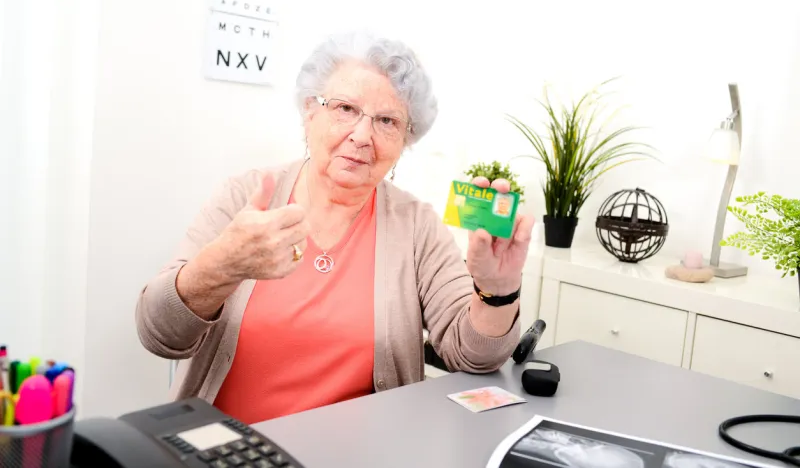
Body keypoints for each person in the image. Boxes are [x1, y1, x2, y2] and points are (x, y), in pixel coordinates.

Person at [135, 31, 535, 424]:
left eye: (386, 121)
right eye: (345, 108)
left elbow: (473, 356)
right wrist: (223, 266)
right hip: (231, 452)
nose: (362, 136)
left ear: (404, 140)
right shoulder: (245, 195)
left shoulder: (416, 225)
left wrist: (497, 292)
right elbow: (159, 333)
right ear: (310, 110)